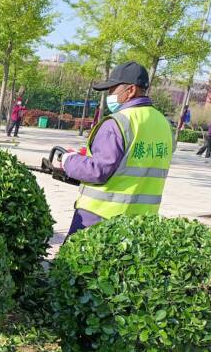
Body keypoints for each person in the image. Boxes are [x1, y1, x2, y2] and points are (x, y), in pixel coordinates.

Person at [61, 61, 173, 235]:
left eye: (113, 90)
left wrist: (69, 160)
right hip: (141, 223)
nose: (109, 94)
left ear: (131, 90)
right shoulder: (163, 124)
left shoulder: (118, 123)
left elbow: (98, 170)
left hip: (100, 217)